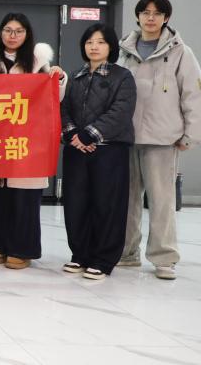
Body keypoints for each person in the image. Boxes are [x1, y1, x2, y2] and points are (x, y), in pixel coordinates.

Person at [116, 0, 201, 280]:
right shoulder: (124, 50)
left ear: (166, 18)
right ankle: (126, 253)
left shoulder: (181, 52)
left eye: (157, 13)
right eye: (145, 12)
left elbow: (195, 94)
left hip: (162, 139)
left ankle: (164, 258)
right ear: (138, 16)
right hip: (127, 137)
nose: (150, 18)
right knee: (126, 201)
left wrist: (191, 135)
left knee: (161, 202)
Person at [0, 13, 67, 270]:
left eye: (19, 31)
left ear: (27, 34)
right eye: (8, 30)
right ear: (0, 32)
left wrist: (59, 78)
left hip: (28, 139)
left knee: (23, 197)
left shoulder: (39, 62)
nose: (13, 35)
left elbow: (55, 97)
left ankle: (22, 249)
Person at [61, 24, 136, 280]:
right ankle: (80, 254)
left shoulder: (122, 77)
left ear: (111, 46)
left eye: (101, 42)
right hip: (76, 151)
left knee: (107, 205)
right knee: (76, 204)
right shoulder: (75, 76)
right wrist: (73, 134)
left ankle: (103, 260)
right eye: (89, 42)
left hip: (109, 151)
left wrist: (89, 135)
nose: (94, 46)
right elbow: (63, 109)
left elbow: (120, 112)